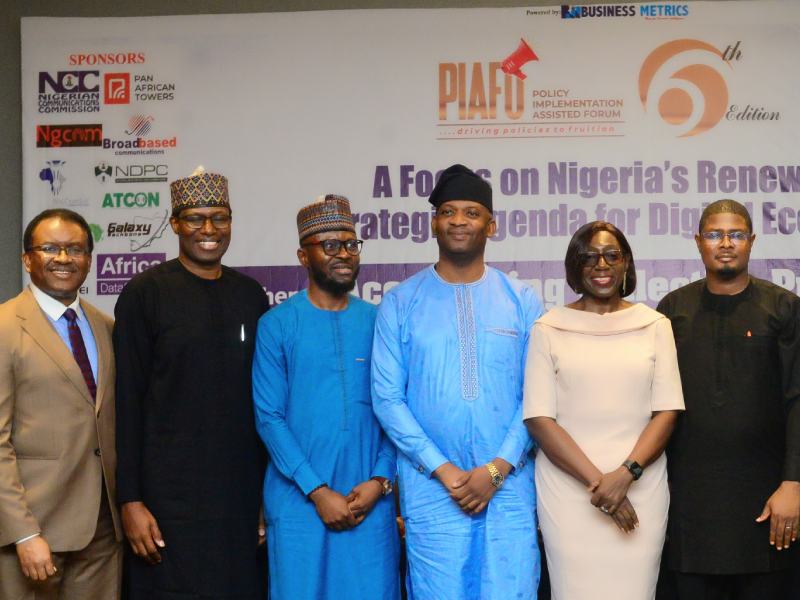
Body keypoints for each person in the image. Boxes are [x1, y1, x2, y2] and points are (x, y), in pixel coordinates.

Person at [372, 164, 543, 599]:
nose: (459, 221)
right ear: (433, 222)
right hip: (432, 488)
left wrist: (497, 468)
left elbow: (538, 396)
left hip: (509, 487)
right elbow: (388, 398)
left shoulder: (521, 301)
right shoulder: (400, 302)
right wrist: (445, 471)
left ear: (491, 224)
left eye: (471, 212)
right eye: (448, 211)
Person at [113, 167, 269, 599]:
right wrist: (131, 500)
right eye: (196, 218)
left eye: (219, 218)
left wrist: (264, 498)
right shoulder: (145, 294)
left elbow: (262, 403)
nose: (208, 229)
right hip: (166, 503)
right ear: (176, 223)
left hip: (238, 499)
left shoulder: (250, 296)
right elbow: (127, 401)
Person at [523, 220, 684, 599]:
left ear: (626, 264)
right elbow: (539, 419)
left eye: (612, 255)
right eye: (589, 257)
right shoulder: (549, 328)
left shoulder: (655, 325)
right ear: (574, 267)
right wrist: (601, 484)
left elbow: (667, 412)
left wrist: (625, 475)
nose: (601, 264)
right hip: (569, 492)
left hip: (640, 487)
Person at [252, 194, 400, 599]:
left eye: (351, 244)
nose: (344, 254)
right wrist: (317, 491)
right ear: (304, 256)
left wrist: (381, 481)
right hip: (300, 502)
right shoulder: (277, 324)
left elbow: (394, 408)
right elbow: (269, 418)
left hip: (368, 501)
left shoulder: (378, 321)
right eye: (330, 245)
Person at [657, 199, 800, 599]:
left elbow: (797, 399)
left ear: (751, 241)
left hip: (768, 501)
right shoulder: (672, 311)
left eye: (736, 235)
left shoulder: (783, 307)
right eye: (715, 234)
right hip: (690, 504)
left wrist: (793, 483)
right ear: (698, 242)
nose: (726, 243)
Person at [0, 209, 122, 599]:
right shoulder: (4, 328)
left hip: (104, 530)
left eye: (76, 249)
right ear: (27, 259)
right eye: (50, 248)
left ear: (89, 259)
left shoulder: (106, 327)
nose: (64, 259)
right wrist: (23, 532)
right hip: (37, 530)